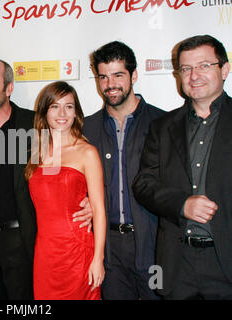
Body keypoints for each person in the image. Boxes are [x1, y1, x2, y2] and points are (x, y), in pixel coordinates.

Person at [0, 59, 94, 299]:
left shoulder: (34, 124)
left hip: (20, 239)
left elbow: (71, 156)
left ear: (9, 88)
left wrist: (90, 199)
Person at [133, 34, 232, 299]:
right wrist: (182, 204)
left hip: (226, 264)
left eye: (203, 66)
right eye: (186, 68)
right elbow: (144, 184)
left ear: (224, 69)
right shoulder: (163, 127)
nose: (194, 75)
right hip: (178, 265)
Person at [82, 41, 165, 300]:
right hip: (109, 249)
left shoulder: (162, 123)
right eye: (103, 77)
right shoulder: (86, 129)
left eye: (118, 75)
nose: (110, 84)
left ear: (134, 75)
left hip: (153, 245)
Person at [25, 81, 106, 300]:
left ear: (76, 112)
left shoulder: (86, 152)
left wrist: (98, 259)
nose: (62, 113)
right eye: (54, 106)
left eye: (69, 106)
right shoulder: (36, 151)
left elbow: (98, 210)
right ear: (44, 112)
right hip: (45, 255)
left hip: (77, 253)